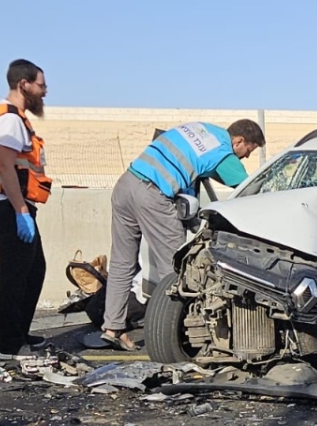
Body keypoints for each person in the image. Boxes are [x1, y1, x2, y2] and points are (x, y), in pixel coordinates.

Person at [99, 119, 265, 350]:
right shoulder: (224, 151)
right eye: (249, 150)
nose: (245, 157)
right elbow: (249, 188)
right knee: (175, 269)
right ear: (239, 141)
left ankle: (113, 329)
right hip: (153, 195)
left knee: (121, 262)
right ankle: (174, 336)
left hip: (126, 185)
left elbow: (196, 168)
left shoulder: (202, 130)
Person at [0, 58, 50, 360]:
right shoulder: (9, 120)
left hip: (15, 204)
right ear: (24, 84)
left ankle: (19, 333)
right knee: (13, 274)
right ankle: (9, 345)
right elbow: (6, 168)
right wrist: (21, 210)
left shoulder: (15, 117)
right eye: (41, 85)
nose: (45, 91)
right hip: (9, 204)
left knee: (33, 270)